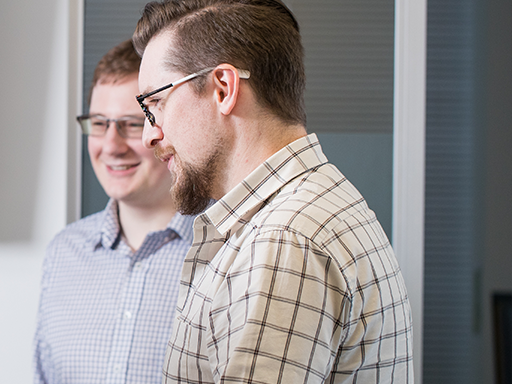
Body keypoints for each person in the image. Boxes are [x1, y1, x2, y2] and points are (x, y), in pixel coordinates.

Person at [130, 0, 414, 382]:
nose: (149, 135)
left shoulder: (283, 241)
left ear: (223, 89)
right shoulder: (313, 207)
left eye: (156, 104)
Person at [34, 39, 195, 384]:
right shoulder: (64, 252)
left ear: (161, 130)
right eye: (99, 123)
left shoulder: (223, 252)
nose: (110, 146)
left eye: (131, 124)